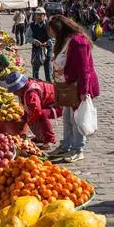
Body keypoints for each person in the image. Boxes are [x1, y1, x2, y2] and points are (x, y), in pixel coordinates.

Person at [48, 15, 100, 163]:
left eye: (52, 31)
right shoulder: (66, 41)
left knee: (75, 118)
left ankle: (78, 149)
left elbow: (84, 69)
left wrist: (84, 92)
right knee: (66, 117)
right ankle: (66, 145)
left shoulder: (78, 42)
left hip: (78, 87)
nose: (51, 34)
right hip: (68, 87)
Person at [3, 71, 61, 145]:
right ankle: (41, 137)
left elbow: (37, 111)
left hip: (59, 104)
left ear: (19, 87)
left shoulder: (31, 93)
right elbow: (28, 109)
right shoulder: (24, 91)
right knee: (32, 116)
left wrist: (28, 122)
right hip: (46, 104)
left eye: (14, 90)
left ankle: (50, 139)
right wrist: (24, 120)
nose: (14, 93)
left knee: (42, 115)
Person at [30, 7, 53, 82]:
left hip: (48, 49)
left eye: (41, 15)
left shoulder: (49, 25)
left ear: (44, 15)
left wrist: (48, 42)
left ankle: (49, 83)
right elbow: (27, 37)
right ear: (35, 16)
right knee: (35, 67)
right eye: (37, 15)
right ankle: (36, 83)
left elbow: (54, 37)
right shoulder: (32, 25)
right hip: (36, 49)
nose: (39, 17)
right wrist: (34, 41)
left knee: (48, 67)